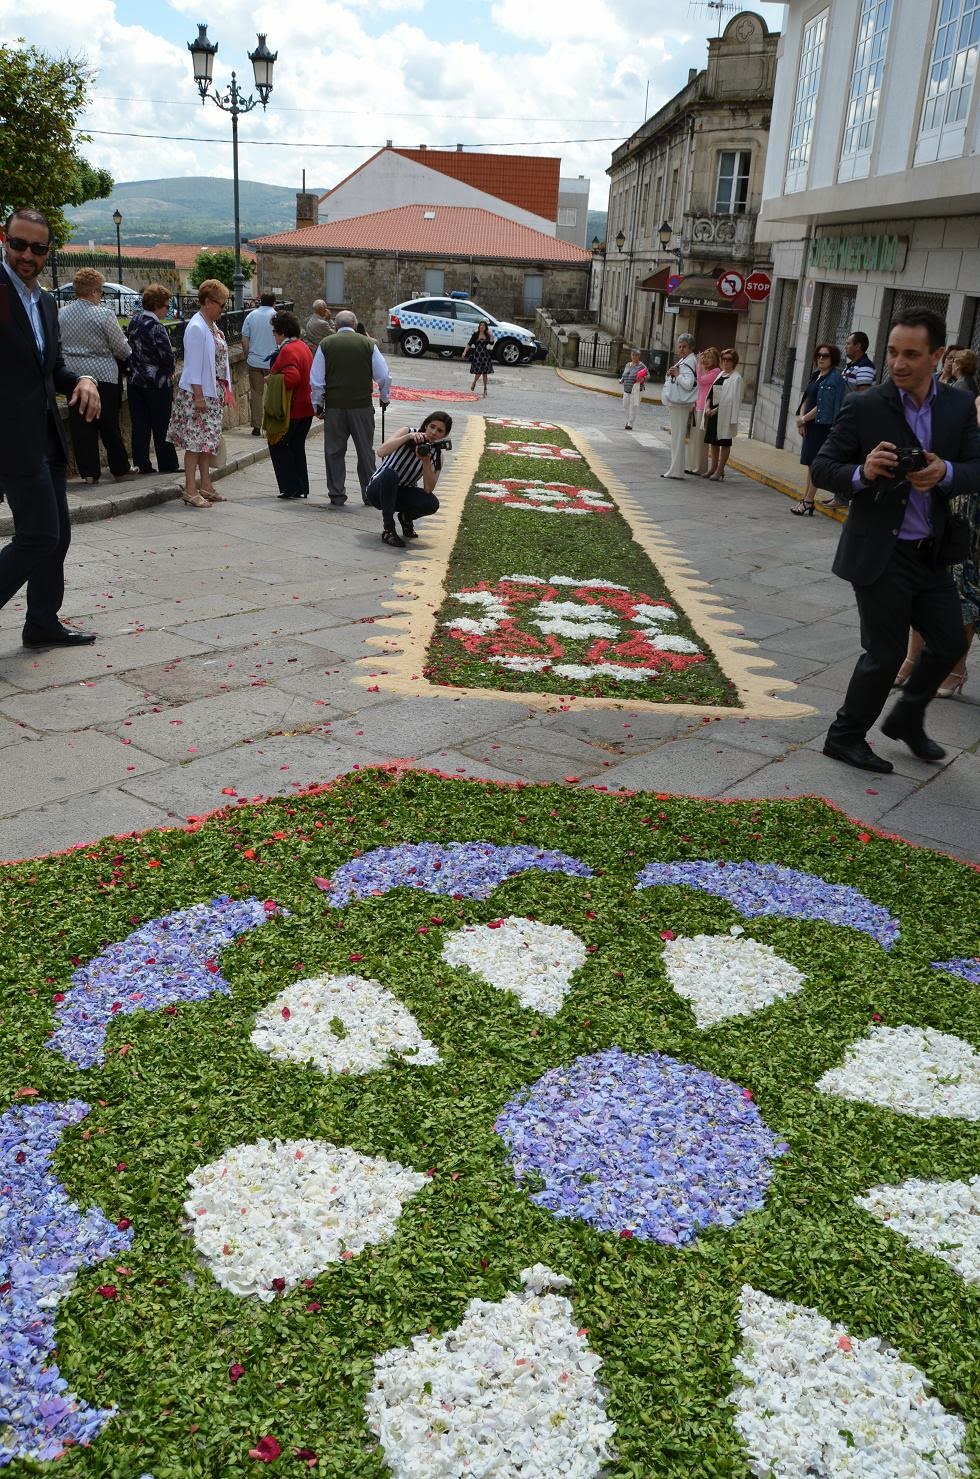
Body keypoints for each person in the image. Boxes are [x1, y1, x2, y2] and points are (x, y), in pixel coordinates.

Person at [812, 306, 980, 774]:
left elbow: (976, 468)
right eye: (892, 352)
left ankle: (906, 718)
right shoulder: (864, 404)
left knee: (948, 644)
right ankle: (844, 737)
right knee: (885, 653)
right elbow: (824, 467)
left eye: (911, 354)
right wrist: (862, 473)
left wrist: (944, 471)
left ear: (938, 356)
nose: (898, 363)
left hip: (932, 555)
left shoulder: (958, 406)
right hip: (880, 553)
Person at [0, 208, 100, 647]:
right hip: (10, 438)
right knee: (39, 535)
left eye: (37, 248)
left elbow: (52, 368)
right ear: (4, 240)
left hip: (46, 432)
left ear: (47, 252)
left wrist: (84, 379)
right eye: (18, 244)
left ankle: (42, 621)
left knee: (58, 536)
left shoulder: (44, 301)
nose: (27, 255)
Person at [58, 267, 136, 485]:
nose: (101, 295)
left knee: (81, 425)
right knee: (109, 424)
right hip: (103, 375)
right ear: (93, 291)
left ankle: (89, 473)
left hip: (74, 377)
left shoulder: (61, 314)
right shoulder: (104, 315)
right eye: (100, 291)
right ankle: (120, 468)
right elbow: (121, 348)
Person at [310, 309, 391, 507]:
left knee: (334, 451)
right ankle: (369, 492)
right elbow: (384, 376)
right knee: (365, 451)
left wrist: (318, 404)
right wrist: (384, 397)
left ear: (336, 326)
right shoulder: (368, 345)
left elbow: (317, 380)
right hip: (361, 406)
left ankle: (337, 493)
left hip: (335, 406)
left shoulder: (326, 345)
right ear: (355, 326)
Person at [167, 278, 232, 508]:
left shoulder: (210, 325)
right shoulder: (196, 327)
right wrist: (199, 396)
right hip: (199, 394)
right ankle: (190, 488)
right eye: (221, 304)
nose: (223, 309)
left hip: (211, 392)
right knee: (194, 443)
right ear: (207, 302)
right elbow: (193, 365)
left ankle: (205, 484)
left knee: (206, 443)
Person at [366, 412, 452, 548]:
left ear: (444, 436)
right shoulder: (407, 431)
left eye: (440, 430)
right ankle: (388, 529)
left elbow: (428, 489)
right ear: (426, 424)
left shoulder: (437, 454)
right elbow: (381, 452)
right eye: (432, 426)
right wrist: (407, 437)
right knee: (390, 474)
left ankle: (406, 517)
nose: (434, 432)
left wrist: (425, 461)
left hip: (402, 493)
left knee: (431, 503)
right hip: (378, 491)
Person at [126, 283, 179, 476]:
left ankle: (142, 464)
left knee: (139, 425)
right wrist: (169, 370)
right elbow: (166, 356)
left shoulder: (135, 321)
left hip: (135, 381)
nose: (168, 310)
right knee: (162, 424)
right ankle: (167, 463)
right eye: (166, 306)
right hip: (157, 384)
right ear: (157, 305)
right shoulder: (156, 327)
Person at [791, 344, 846, 515]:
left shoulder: (834, 379)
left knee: (816, 465)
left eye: (826, 356)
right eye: (819, 355)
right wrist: (802, 420)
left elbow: (824, 406)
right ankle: (807, 497)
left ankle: (808, 500)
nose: (821, 358)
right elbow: (807, 398)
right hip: (810, 425)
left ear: (833, 359)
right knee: (810, 464)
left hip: (822, 426)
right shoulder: (816, 375)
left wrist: (804, 419)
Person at [266, 310, 314, 501]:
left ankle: (290, 486)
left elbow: (292, 378)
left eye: (275, 332)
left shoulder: (288, 350)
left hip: (292, 410)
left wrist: (272, 378)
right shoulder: (302, 346)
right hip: (307, 408)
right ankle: (301, 486)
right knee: (296, 446)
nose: (274, 336)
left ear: (282, 332)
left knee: (277, 444)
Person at [660, 333, 698, 481]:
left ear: (691, 348)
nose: (681, 349)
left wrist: (677, 374)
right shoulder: (686, 360)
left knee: (678, 437)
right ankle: (675, 468)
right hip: (678, 404)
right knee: (676, 437)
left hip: (680, 404)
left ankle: (676, 469)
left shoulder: (689, 362)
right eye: (680, 346)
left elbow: (688, 384)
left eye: (684, 346)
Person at [703, 348, 744, 481]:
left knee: (724, 442)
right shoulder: (720, 375)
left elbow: (734, 400)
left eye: (729, 360)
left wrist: (718, 409)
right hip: (713, 414)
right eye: (724, 359)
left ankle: (720, 469)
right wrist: (708, 405)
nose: (726, 362)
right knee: (713, 442)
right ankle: (713, 467)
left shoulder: (736, 378)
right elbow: (711, 393)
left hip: (725, 415)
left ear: (734, 362)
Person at [241, 291, 277, 437]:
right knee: (273, 394)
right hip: (273, 361)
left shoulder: (251, 316)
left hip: (254, 360)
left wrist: (247, 355)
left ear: (260, 301)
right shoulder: (277, 316)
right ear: (274, 302)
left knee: (256, 393)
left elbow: (244, 340)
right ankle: (272, 424)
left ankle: (256, 426)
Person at [690, 347, 721, 473]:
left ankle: (700, 467)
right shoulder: (705, 370)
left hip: (704, 408)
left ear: (715, 360)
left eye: (710, 358)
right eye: (705, 357)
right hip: (697, 406)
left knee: (701, 441)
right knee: (694, 439)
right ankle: (692, 465)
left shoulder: (715, 371)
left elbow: (700, 381)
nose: (706, 360)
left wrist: (698, 364)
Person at [464, 319, 495, 397]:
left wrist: (491, 335)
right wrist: (464, 352)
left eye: (483, 325)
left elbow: (491, 343)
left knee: (485, 373)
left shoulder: (487, 335)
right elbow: (469, 343)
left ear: (485, 327)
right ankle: (474, 382)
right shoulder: (475, 334)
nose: (481, 327)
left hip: (485, 356)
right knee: (478, 372)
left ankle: (485, 389)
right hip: (477, 356)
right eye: (480, 325)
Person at [618, 348, 647, 430]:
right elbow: (625, 374)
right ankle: (628, 420)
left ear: (639, 356)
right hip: (626, 389)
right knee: (625, 405)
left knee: (633, 406)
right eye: (633, 355)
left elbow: (648, 375)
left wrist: (643, 379)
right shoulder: (628, 365)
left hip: (636, 390)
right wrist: (622, 380)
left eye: (637, 355)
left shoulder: (641, 365)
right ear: (631, 356)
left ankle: (630, 423)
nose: (635, 357)